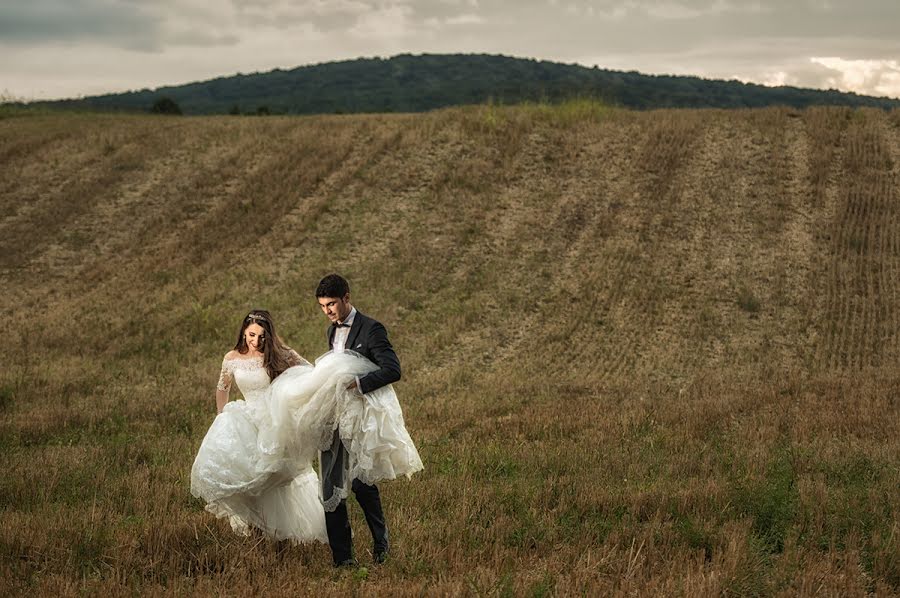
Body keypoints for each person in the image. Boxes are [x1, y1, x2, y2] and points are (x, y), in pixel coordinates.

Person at [189, 310, 327, 544]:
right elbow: (223, 387)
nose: (256, 341)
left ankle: (279, 531)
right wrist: (222, 416)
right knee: (247, 473)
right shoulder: (232, 357)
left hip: (273, 420)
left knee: (273, 475)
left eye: (262, 337)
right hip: (245, 419)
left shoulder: (280, 355)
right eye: (251, 335)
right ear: (244, 331)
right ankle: (257, 528)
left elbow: (309, 373)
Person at [314, 273, 422, 567]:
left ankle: (381, 542)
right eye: (323, 306)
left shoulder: (372, 329)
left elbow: (392, 370)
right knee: (331, 484)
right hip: (335, 413)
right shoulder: (330, 331)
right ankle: (343, 559)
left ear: (347, 297)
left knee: (362, 484)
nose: (328, 311)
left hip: (364, 415)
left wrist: (356, 384)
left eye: (332, 304)